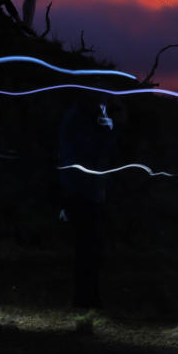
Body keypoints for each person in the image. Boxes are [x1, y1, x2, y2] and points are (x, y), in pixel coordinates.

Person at [58, 96, 124, 309]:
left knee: (89, 248)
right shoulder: (79, 120)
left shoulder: (81, 118)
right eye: (99, 99)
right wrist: (109, 130)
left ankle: (87, 298)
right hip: (83, 193)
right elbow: (93, 151)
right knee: (88, 248)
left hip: (85, 192)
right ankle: (85, 300)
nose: (102, 104)